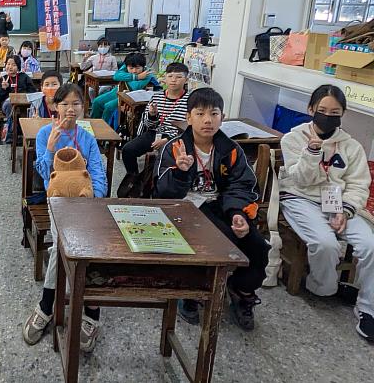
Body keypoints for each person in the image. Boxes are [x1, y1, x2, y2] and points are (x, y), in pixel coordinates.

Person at [154, 88, 267, 331]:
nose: (207, 120)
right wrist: (181, 173)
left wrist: (238, 213)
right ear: (188, 117)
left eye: (213, 114)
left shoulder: (231, 150)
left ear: (222, 117)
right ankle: (193, 292)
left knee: (256, 244)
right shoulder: (175, 148)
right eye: (200, 113)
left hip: (222, 205)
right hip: (184, 208)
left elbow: (243, 185)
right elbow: (162, 191)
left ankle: (242, 290)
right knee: (219, 240)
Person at [280, 84, 374, 342]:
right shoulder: (292, 139)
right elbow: (301, 181)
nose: (327, 116)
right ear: (311, 109)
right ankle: (324, 288)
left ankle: (368, 310)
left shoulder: (351, 147)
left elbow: (358, 184)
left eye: (335, 112)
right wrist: (312, 152)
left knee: (370, 244)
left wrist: (345, 209)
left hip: (339, 203)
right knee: (324, 243)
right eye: (322, 110)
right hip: (301, 199)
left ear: (342, 113)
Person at [23, 83, 107, 352]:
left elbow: (98, 174)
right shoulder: (46, 133)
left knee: (90, 244)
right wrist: (49, 148)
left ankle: (52, 305)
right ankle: (84, 310)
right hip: (57, 202)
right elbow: (45, 177)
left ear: (84, 108)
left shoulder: (88, 138)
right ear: (55, 107)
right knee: (63, 242)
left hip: (87, 202)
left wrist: (94, 203)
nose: (71, 109)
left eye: (76, 104)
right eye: (65, 104)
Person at [118, 62, 190, 197]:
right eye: (170, 76)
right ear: (165, 78)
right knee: (128, 150)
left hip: (175, 137)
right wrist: (152, 115)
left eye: (179, 77)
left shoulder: (189, 100)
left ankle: (156, 186)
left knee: (161, 159)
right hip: (154, 133)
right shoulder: (157, 96)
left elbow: (188, 129)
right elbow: (149, 125)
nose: (173, 80)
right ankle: (135, 179)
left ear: (186, 80)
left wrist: (166, 140)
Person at [89, 52, 159, 123]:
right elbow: (116, 76)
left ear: (143, 67)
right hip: (117, 91)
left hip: (129, 97)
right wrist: (136, 77)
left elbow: (135, 86)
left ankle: (106, 128)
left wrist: (124, 77)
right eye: (131, 68)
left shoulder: (147, 74)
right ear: (126, 66)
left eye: (138, 68)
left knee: (109, 107)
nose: (134, 71)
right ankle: (93, 124)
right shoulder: (127, 66)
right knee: (96, 101)